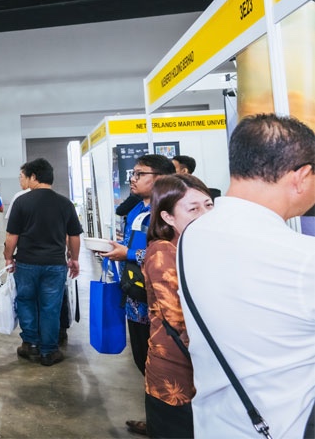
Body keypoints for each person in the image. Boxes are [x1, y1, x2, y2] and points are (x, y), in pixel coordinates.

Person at [179, 114, 315, 438]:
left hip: (214, 424)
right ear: (301, 176)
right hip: (282, 429)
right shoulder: (302, 259)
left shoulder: (192, 234)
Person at [105, 153, 174, 436]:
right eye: (132, 174)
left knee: (163, 364)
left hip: (160, 301)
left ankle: (168, 425)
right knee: (142, 359)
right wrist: (118, 250)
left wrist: (129, 254)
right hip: (136, 296)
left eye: (139, 174)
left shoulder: (168, 211)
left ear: (160, 178)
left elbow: (170, 253)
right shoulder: (137, 208)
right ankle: (157, 420)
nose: (132, 179)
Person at [143, 174, 213, 438]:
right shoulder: (163, 252)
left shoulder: (199, 246)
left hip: (206, 373)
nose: (205, 215)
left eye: (208, 205)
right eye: (193, 209)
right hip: (176, 373)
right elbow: (179, 318)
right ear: (168, 217)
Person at [4, 158, 81, 366]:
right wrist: (74, 259)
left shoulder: (22, 202)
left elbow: (12, 236)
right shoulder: (65, 203)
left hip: (26, 263)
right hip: (55, 264)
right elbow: (74, 235)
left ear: (34, 177)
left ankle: (31, 345)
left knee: (26, 301)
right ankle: (49, 351)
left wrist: (8, 257)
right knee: (51, 307)